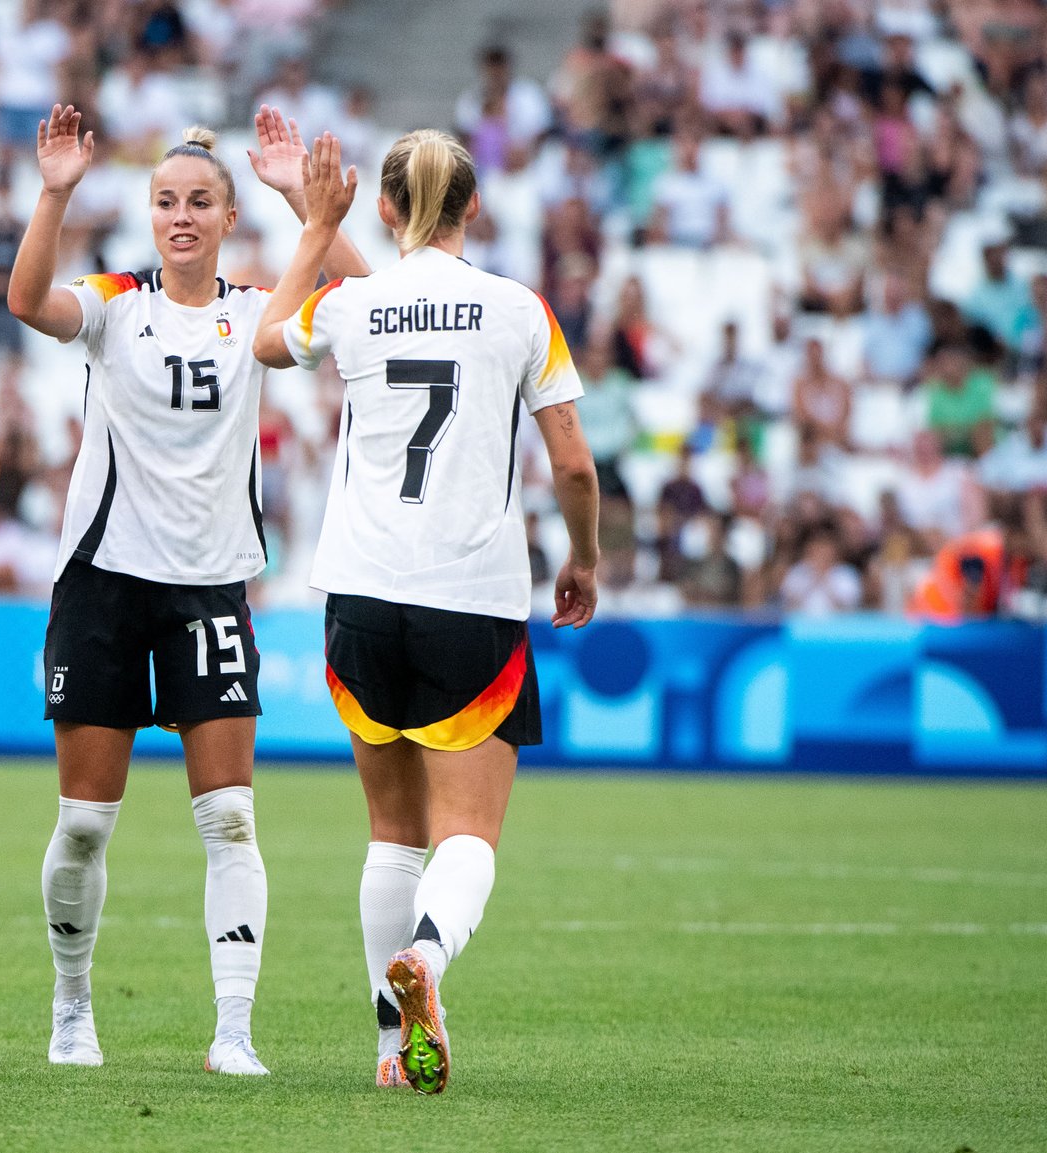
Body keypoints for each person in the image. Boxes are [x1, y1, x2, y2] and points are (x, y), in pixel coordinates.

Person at [5, 104, 369, 1075]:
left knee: (230, 816)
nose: (179, 215)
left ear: (224, 217)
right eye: (165, 200)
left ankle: (232, 1030)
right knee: (82, 823)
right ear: (149, 214)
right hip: (103, 587)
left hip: (209, 590)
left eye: (198, 201)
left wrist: (309, 205)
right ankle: (71, 1007)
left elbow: (380, 300)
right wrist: (53, 193)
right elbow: (27, 298)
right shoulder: (111, 302)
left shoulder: (257, 309)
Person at [252, 130, 599, 1093]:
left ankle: (387, 1051)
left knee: (391, 832)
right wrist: (587, 557)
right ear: (473, 207)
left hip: (360, 594)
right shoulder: (520, 311)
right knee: (467, 836)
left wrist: (311, 224)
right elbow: (571, 461)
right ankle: (430, 963)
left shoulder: (355, 305)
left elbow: (269, 337)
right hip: (471, 597)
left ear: (389, 209)